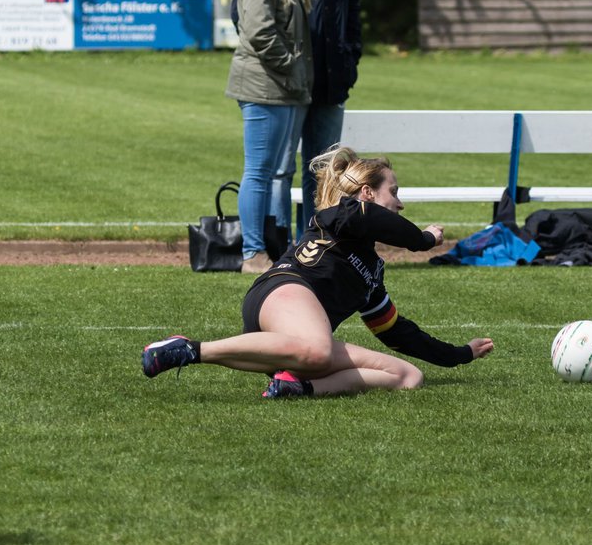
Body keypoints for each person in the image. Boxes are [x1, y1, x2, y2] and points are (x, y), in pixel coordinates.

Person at [143, 146, 495, 397]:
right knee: (318, 349)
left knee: (407, 376)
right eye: (394, 192)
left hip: (301, 340)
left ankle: (296, 386)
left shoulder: (371, 270)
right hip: (281, 293)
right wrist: (423, 239)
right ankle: (189, 349)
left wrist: (460, 354)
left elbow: (396, 332)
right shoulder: (340, 216)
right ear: (367, 193)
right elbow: (369, 217)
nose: (400, 203)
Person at [270, 0, 362, 240]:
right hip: (290, 78)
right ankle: (277, 248)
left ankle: (316, 245)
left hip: (332, 78)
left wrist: (350, 59)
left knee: (326, 171)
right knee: (280, 170)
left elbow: (352, 10)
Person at [225, 0, 313, 273]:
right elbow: (258, 31)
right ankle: (253, 253)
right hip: (265, 85)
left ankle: (276, 250)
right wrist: (291, 66)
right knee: (260, 172)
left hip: (284, 87)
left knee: (279, 172)